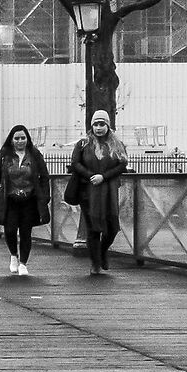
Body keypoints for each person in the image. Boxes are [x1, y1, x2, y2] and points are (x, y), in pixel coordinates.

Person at [65, 110, 130, 275]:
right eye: (96, 124)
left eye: (102, 124)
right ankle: (95, 263)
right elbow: (75, 163)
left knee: (112, 228)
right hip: (88, 192)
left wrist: (104, 177)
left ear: (108, 126)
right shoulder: (83, 144)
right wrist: (91, 176)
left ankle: (102, 251)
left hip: (109, 192)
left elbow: (122, 164)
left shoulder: (117, 144)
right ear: (91, 126)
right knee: (93, 228)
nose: (99, 128)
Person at [0, 124, 51, 277]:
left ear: (27, 139)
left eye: (23, 138)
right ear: (11, 140)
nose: (20, 141)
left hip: (29, 199)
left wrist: (45, 196)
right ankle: (13, 255)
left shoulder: (34, 154)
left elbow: (44, 176)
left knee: (25, 232)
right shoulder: (5, 155)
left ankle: (23, 263)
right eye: (17, 138)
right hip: (10, 200)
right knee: (10, 230)